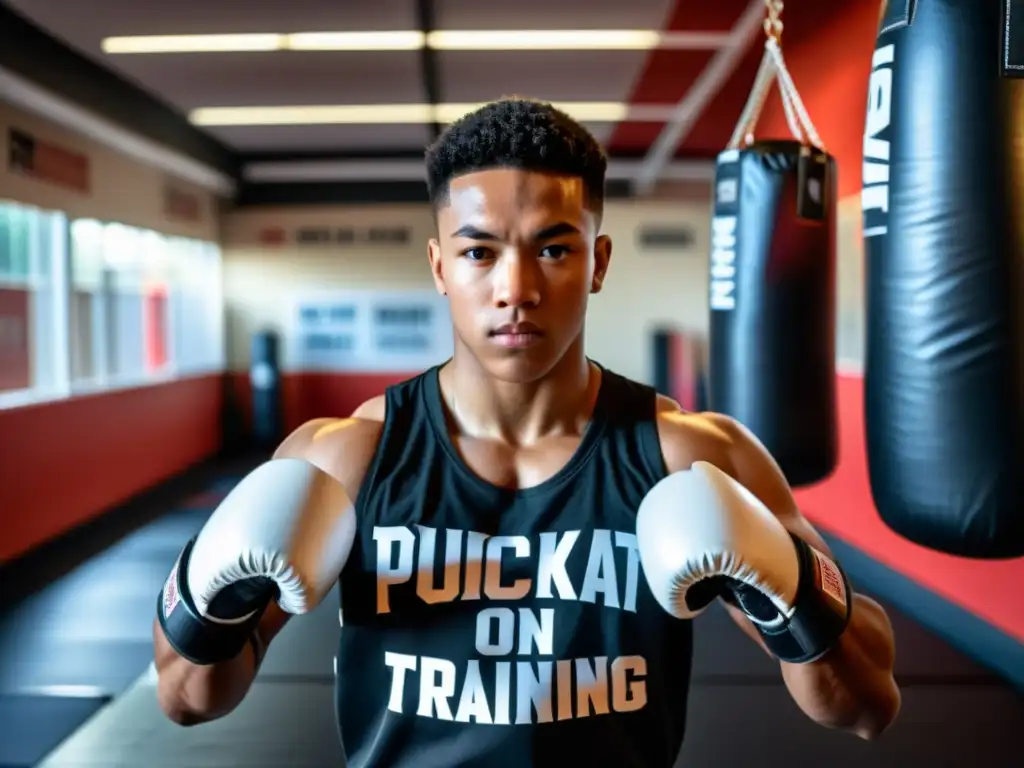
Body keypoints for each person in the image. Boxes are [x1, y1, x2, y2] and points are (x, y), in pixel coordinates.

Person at [152, 98, 900, 767]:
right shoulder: (346, 457)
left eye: (553, 248)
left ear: (597, 262)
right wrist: (213, 592)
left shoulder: (692, 455)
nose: (517, 288)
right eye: (480, 252)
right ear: (441, 267)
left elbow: (868, 705)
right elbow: (187, 698)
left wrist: (795, 588)